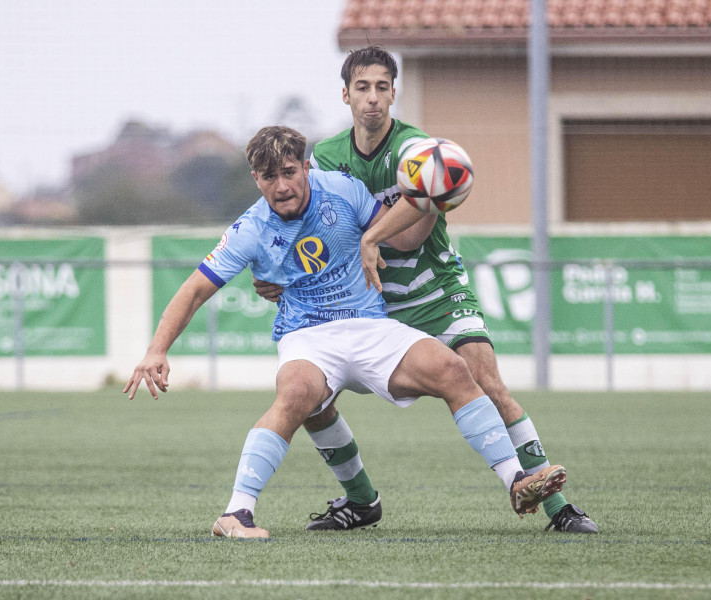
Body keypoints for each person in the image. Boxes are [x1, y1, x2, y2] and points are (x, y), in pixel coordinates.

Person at [124, 125, 565, 539]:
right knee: (298, 395)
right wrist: (156, 350)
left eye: (290, 172)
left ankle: (516, 481)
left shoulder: (342, 189)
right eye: (269, 177)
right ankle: (236, 513)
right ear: (255, 179)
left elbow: (404, 240)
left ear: (305, 168)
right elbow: (195, 289)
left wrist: (430, 200)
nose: (282, 186)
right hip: (309, 336)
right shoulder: (250, 229)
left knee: (452, 368)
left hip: (370, 324)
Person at [254, 46, 597, 534]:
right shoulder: (326, 158)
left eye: (381, 87)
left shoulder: (421, 151)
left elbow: (414, 234)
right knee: (310, 398)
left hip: (435, 288)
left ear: (394, 93)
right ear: (346, 94)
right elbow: (306, 223)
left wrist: (371, 235)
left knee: (488, 383)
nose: (372, 98)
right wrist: (279, 271)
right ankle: (360, 501)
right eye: (362, 88)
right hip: (371, 302)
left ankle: (558, 506)